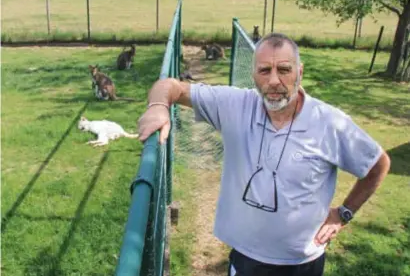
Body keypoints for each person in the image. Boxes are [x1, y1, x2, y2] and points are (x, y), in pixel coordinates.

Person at [137, 33, 391, 276]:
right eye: (264, 71)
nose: (273, 81)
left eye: (283, 70)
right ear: (254, 74)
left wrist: (344, 213)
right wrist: (158, 107)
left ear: (299, 72)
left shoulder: (330, 123)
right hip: (248, 257)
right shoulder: (234, 105)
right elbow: (169, 86)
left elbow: (377, 164)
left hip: (304, 260)